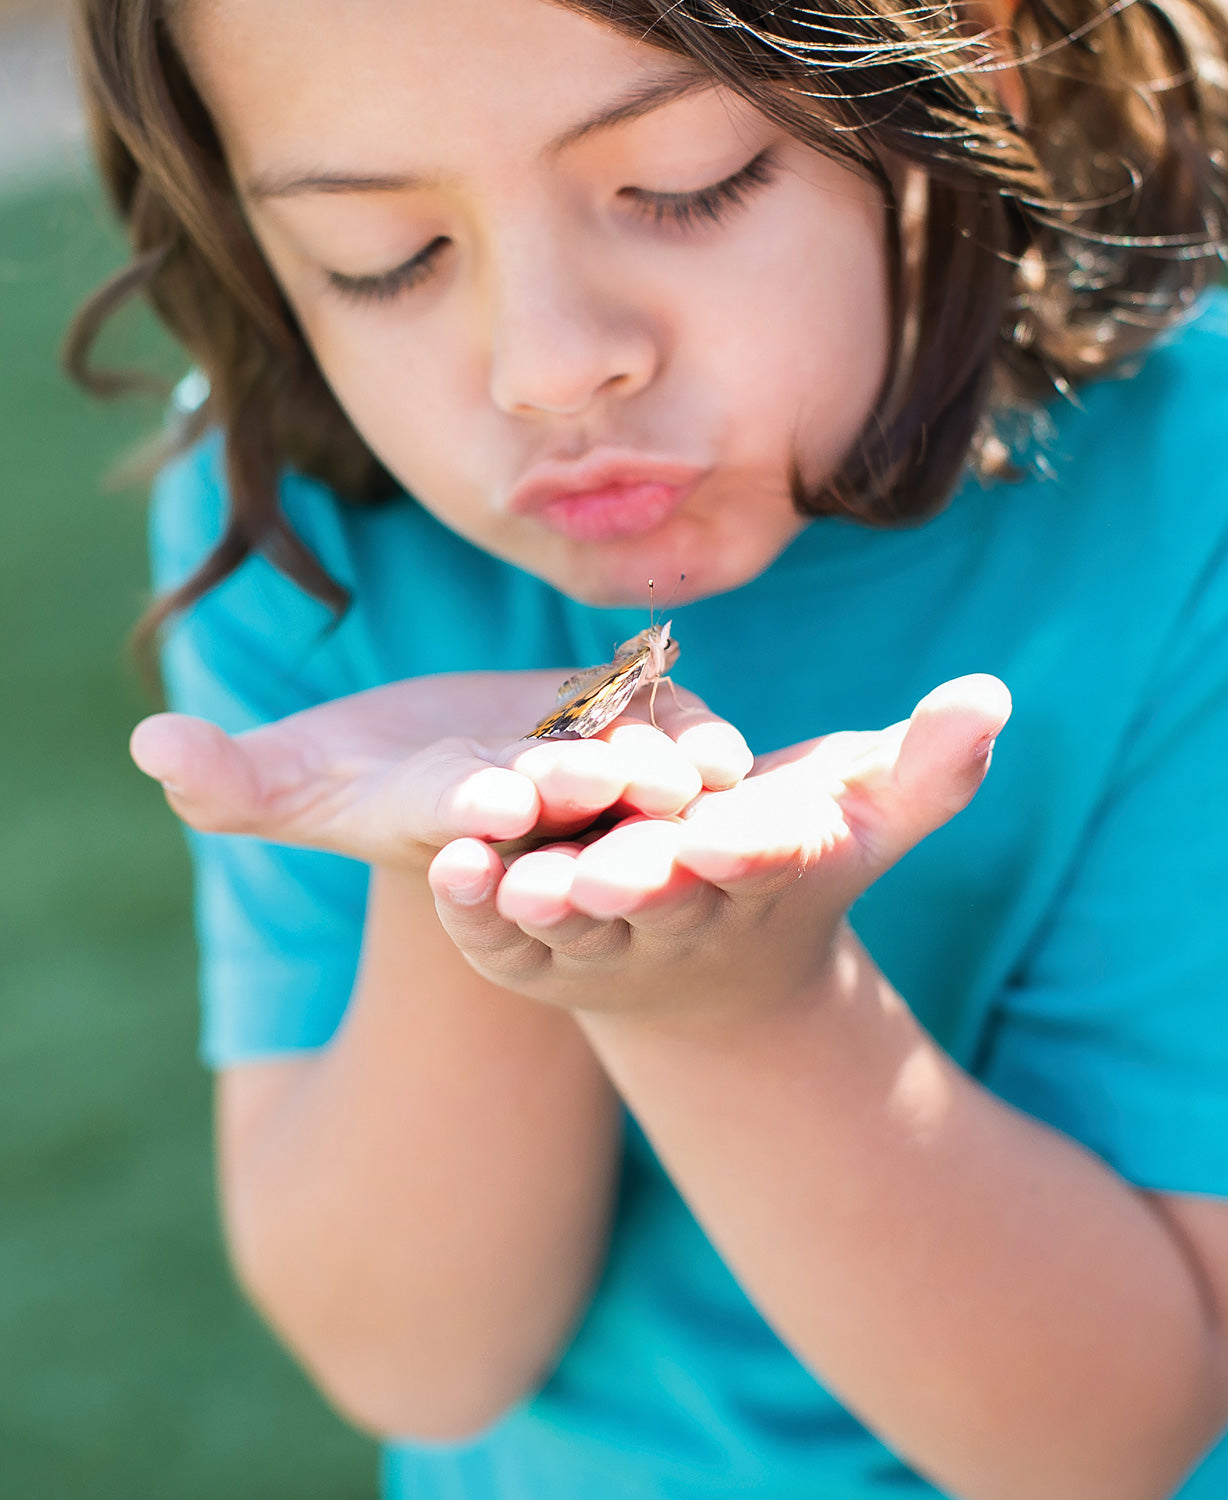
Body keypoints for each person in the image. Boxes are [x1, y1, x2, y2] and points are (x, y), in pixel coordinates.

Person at [67, 0, 1228, 1496]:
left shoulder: (1190, 494)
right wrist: (482, 881)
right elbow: (413, 1357)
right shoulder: (299, 527)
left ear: (979, 47)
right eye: (384, 258)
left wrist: (743, 1009)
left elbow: (1115, 1434)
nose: (547, 366)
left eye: (689, 180)